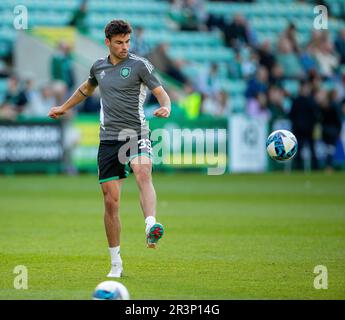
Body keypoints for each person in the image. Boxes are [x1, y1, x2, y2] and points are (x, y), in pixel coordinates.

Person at [48, 20, 171, 278]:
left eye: (127, 42)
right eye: (119, 42)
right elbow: (85, 89)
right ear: (108, 42)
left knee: (142, 171)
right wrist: (63, 107)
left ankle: (150, 224)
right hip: (108, 140)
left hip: (136, 133)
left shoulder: (140, 65)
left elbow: (160, 91)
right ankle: (116, 263)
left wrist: (166, 106)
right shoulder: (99, 67)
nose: (125, 47)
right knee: (110, 202)